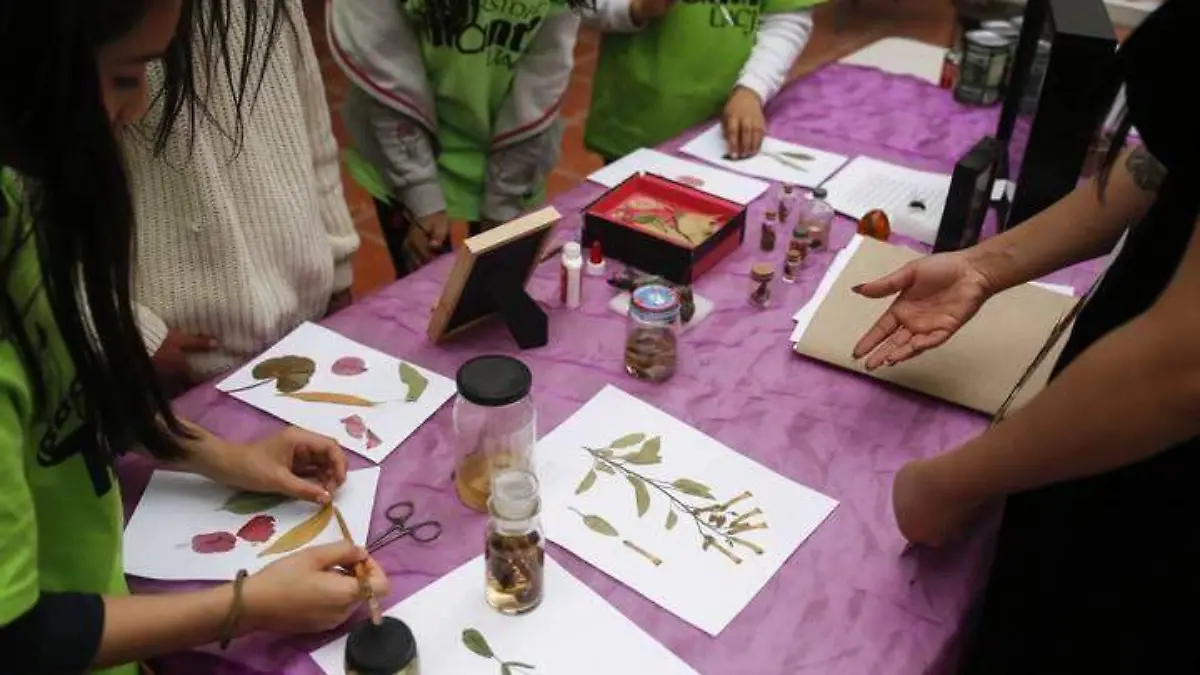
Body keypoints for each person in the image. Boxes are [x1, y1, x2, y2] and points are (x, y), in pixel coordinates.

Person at [0, 2, 388, 673]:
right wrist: (247, 603)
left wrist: (226, 457)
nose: (138, 108)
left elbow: (74, 397)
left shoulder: (24, 206)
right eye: (127, 78)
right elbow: (19, 635)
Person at [851, 1, 1200, 671]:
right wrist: (983, 265)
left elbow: (1185, 365)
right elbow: (1165, 162)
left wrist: (954, 482)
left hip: (1152, 492)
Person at [123, 0, 360, 394]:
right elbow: (42, 214)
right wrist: (132, 331)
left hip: (305, 324)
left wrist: (338, 265)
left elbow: (312, 121)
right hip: (179, 361)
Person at [329, 0, 590, 277]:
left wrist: (503, 202)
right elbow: (384, 65)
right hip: (401, 146)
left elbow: (540, 85)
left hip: (512, 148)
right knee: (420, 288)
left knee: (497, 283)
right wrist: (419, 193)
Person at [583, 0, 822, 163]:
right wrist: (635, 7)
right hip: (636, 121)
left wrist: (752, 88)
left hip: (723, 128)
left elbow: (787, 20)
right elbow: (585, 7)